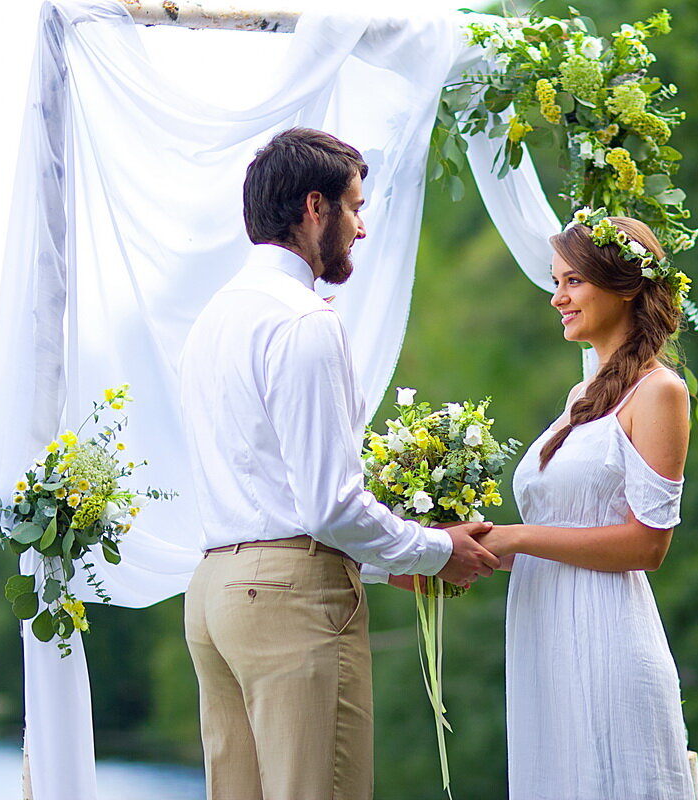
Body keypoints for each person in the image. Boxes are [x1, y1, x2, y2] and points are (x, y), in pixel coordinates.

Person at [178, 127, 498, 800]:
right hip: (290, 600)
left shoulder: (214, 319)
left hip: (213, 594)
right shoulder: (303, 322)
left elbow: (269, 486)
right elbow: (326, 507)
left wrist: (386, 563)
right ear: (315, 208)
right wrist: (436, 550)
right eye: (355, 206)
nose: (362, 227)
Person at [476, 212, 698, 799]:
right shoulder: (583, 395)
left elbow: (648, 544)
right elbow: (557, 530)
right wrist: (460, 542)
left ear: (623, 284)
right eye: (557, 282)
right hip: (541, 629)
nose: (557, 298)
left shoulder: (660, 392)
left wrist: (518, 537)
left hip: (604, 632)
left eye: (572, 281)